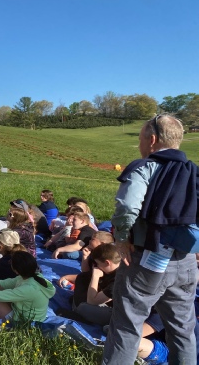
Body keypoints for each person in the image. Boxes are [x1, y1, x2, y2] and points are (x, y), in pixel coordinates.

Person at [102, 115, 199, 364]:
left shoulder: (144, 167)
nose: (139, 145)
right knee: (183, 330)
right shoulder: (194, 172)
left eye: (140, 139)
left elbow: (126, 208)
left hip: (148, 260)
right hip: (187, 261)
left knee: (126, 326)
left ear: (152, 139)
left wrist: (122, 239)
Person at [70, 243, 121, 326]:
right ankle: (77, 306)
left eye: (98, 263)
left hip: (117, 314)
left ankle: (76, 310)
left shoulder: (118, 280)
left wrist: (96, 276)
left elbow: (92, 301)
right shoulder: (112, 269)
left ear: (107, 263)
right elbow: (84, 275)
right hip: (106, 301)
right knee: (83, 277)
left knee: (83, 308)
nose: (97, 266)